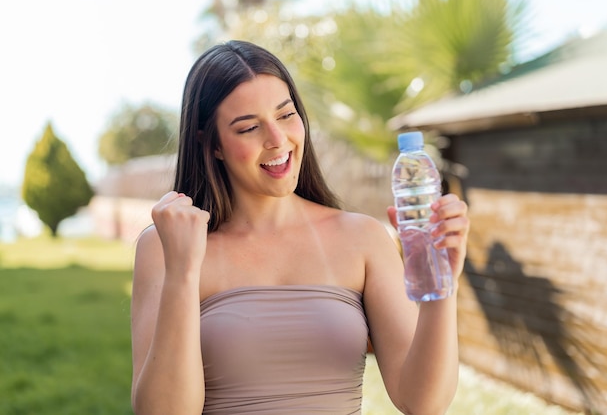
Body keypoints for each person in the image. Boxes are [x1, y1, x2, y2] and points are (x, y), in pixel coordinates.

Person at [130, 40, 470, 415]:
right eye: (248, 128)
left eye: (286, 115)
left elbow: (422, 401)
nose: (278, 140)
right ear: (211, 145)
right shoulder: (166, 247)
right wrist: (182, 272)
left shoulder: (362, 238)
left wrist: (441, 289)